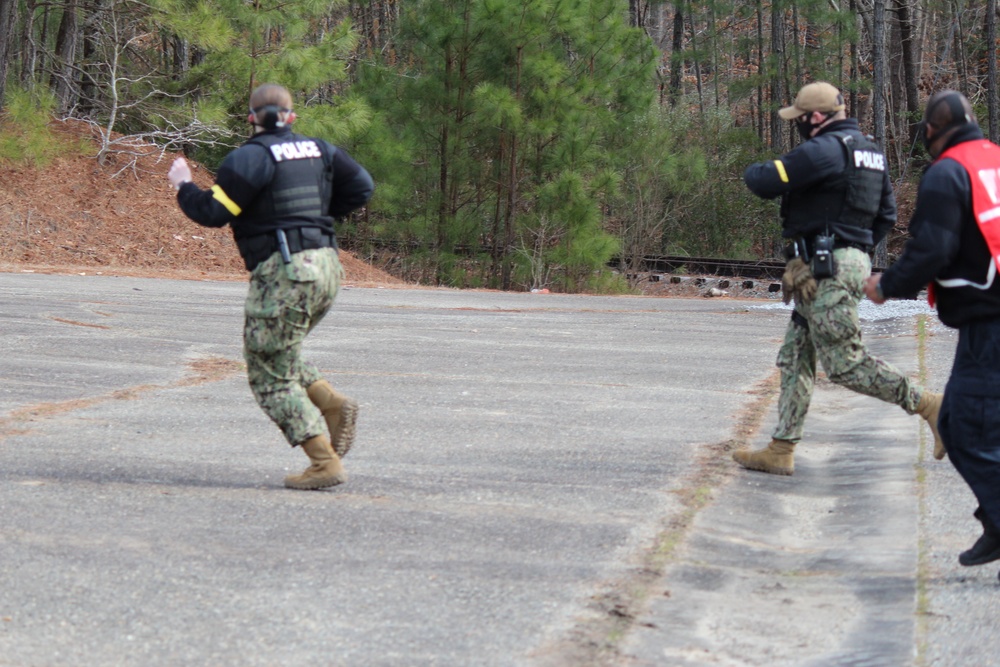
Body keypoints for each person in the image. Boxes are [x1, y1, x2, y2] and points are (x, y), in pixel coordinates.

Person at [167, 83, 374, 490]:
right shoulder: (320, 149)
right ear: (292, 117)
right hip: (328, 268)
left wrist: (183, 185)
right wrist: (313, 217)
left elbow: (212, 212)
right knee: (278, 351)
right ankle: (330, 403)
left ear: (251, 118)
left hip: (286, 272)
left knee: (267, 374)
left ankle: (323, 461)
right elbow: (362, 188)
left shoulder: (249, 158)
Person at [732, 81, 943, 476]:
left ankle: (929, 404)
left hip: (826, 269)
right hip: (834, 264)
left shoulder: (824, 150)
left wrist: (832, 253)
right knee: (796, 356)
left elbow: (762, 181)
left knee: (844, 364)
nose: (798, 126)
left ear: (815, 118)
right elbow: (886, 216)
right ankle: (781, 449)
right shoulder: (871, 153)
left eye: (800, 119)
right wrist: (852, 252)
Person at [864, 90, 1000, 575]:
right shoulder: (993, 161)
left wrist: (888, 286)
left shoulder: (948, 173)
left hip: (989, 323)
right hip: (985, 319)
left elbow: (933, 248)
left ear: (930, 132)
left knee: (962, 426)